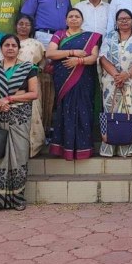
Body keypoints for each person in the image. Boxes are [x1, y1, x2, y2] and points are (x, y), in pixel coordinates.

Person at [0, 34, 39, 210]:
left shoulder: (29, 68)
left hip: (20, 118)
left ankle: (17, 198)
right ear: (1, 48)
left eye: (13, 45)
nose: (10, 48)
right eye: (6, 45)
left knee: (19, 156)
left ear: (19, 49)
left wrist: (9, 99)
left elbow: (34, 94)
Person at [45, 9, 101, 160]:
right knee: (65, 110)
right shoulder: (59, 35)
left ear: (82, 20)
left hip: (84, 78)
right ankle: (64, 149)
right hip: (63, 79)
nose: (74, 19)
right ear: (66, 20)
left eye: (77, 16)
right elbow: (50, 53)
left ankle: (84, 148)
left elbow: (94, 57)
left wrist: (79, 61)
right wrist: (73, 52)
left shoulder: (91, 37)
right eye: (71, 16)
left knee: (84, 109)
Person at [99, 9, 132, 157]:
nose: (124, 21)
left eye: (127, 18)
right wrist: (117, 76)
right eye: (120, 19)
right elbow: (102, 58)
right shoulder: (109, 38)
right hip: (112, 83)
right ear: (116, 22)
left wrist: (126, 75)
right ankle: (112, 146)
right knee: (112, 113)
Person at [8, 14, 46, 157]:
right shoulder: (9, 42)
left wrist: (39, 69)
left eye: (27, 24)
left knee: (35, 113)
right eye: (21, 24)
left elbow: (43, 60)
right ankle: (16, 147)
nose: (23, 27)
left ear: (31, 27)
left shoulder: (36, 44)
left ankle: (34, 147)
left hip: (32, 83)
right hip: (11, 83)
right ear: (15, 26)